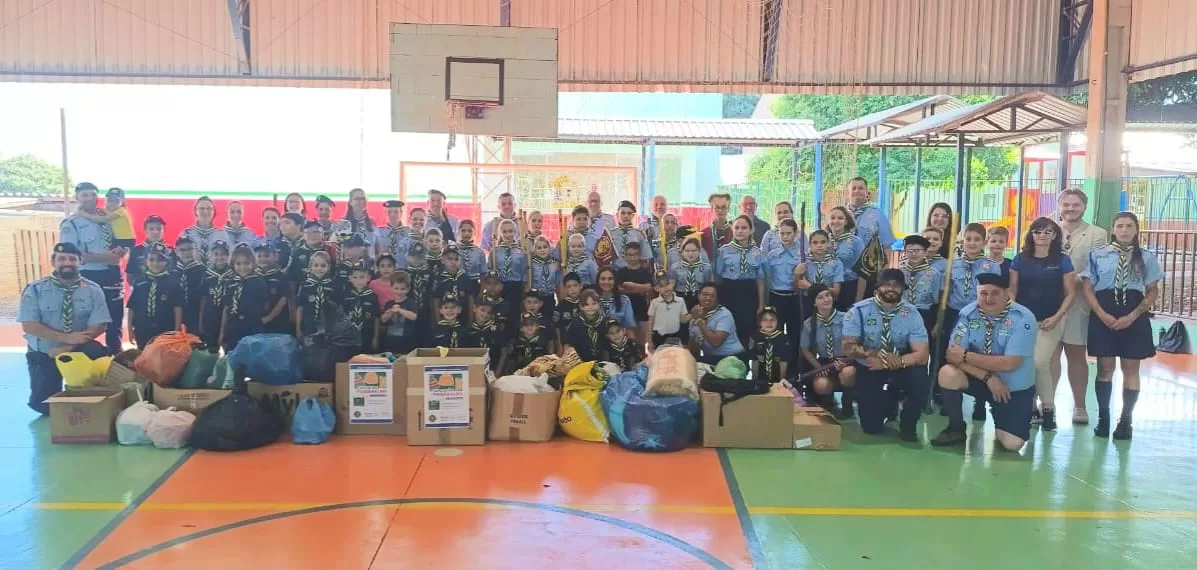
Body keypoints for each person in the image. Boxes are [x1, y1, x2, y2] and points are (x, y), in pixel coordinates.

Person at [932, 272, 1038, 452]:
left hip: (1011, 387)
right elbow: (952, 356)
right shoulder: (968, 314)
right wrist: (988, 377)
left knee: (1012, 444)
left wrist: (966, 355)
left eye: (995, 293)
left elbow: (1010, 364)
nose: (988, 299)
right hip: (981, 378)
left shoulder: (1023, 318)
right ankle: (956, 429)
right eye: (983, 293)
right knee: (947, 373)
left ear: (1007, 293)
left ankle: (1002, 417)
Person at [1080, 212, 1162, 440]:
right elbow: (1087, 288)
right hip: (1104, 312)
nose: (1124, 230)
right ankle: (1103, 417)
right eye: (1120, 226)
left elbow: (1152, 290)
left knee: (1131, 369)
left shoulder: (1146, 257)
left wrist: (1133, 316)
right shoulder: (1097, 255)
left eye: (1129, 226)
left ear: (1136, 229)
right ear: (1113, 229)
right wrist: (1101, 314)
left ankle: (1126, 420)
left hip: (1133, 315)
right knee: (1105, 369)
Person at [19, 243, 111, 414]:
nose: (67, 262)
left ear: (81, 262)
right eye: (62, 259)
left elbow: (99, 325)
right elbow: (29, 325)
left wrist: (68, 346)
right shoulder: (35, 290)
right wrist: (64, 338)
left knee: (95, 351)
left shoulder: (93, 290)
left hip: (77, 349)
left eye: (72, 259)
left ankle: (87, 390)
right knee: (44, 406)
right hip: (45, 351)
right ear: (53, 262)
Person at [841, 269, 930, 441]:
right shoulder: (859, 311)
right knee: (871, 428)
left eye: (896, 285)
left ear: (903, 289)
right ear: (877, 287)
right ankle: (886, 400)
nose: (891, 289)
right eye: (886, 284)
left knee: (920, 381)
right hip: (869, 364)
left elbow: (922, 355)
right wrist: (875, 354)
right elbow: (848, 347)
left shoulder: (912, 314)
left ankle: (908, 424)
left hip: (900, 363)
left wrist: (891, 362)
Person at [1009, 217, 1076, 432]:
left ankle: (1048, 409)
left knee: (1040, 362)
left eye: (1048, 232)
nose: (1042, 236)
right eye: (1038, 232)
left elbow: (1070, 293)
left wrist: (1057, 317)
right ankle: (1030, 408)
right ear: (1031, 235)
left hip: (1051, 320)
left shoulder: (1063, 260)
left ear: (1055, 235)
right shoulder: (1020, 259)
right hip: (1024, 321)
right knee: (1027, 364)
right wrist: (1015, 314)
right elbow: (1012, 291)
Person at [1055, 188, 1109, 426]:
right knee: (1048, 356)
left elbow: (1099, 266)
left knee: (1076, 354)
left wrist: (1077, 279)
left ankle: (1079, 406)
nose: (1070, 209)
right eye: (1066, 204)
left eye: (1075, 204)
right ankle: (1046, 404)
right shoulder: (1049, 230)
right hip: (1050, 301)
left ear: (1084, 207)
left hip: (1080, 303)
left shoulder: (1098, 234)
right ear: (1059, 206)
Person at [59, 182, 128, 354]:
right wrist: (109, 257)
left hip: (112, 274)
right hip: (87, 275)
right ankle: (82, 355)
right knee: (84, 318)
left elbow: (125, 241)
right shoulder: (71, 223)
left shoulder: (109, 217)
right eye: (85, 195)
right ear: (77, 197)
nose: (89, 198)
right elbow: (73, 256)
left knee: (115, 318)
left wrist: (123, 250)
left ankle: (116, 355)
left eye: (93, 194)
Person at [944, 224, 1001, 400]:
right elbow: (947, 291)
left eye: (977, 239)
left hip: (980, 315)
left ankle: (980, 402)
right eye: (968, 239)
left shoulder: (991, 266)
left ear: (984, 242)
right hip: (955, 314)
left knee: (979, 354)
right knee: (954, 352)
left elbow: (995, 292)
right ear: (962, 241)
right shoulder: (952, 265)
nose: (972, 243)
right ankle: (953, 395)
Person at [799, 285, 856, 416]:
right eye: (820, 297)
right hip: (825, 362)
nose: (826, 299)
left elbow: (855, 342)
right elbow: (805, 349)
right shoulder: (809, 324)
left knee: (849, 373)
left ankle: (847, 405)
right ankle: (829, 407)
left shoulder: (846, 318)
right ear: (814, 303)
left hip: (845, 360)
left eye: (827, 295)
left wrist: (846, 359)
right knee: (821, 384)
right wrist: (818, 367)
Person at [715, 215, 766, 348]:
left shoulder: (757, 252)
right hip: (729, 291)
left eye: (744, 228)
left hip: (749, 293)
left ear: (751, 230)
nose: (740, 231)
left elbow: (760, 280)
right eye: (737, 227)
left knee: (746, 329)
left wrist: (761, 304)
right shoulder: (724, 250)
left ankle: (743, 357)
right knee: (728, 326)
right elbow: (718, 276)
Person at [846, 177, 895, 302]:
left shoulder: (877, 214)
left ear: (867, 191)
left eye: (861, 188)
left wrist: (883, 274)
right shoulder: (841, 214)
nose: (857, 191)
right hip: (845, 273)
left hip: (869, 272)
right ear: (848, 191)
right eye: (854, 188)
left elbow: (887, 246)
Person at [126, 242, 183, 349]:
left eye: (160, 260)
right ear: (145, 261)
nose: (155, 263)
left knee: (163, 355)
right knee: (143, 354)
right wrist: (129, 330)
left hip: (165, 329)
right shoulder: (139, 282)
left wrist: (176, 331)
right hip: (142, 328)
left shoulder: (173, 283)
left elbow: (177, 308)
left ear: (167, 262)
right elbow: (132, 307)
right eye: (151, 259)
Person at [764, 219, 804, 343]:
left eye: (788, 233)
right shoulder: (772, 255)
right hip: (776, 297)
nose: (785, 237)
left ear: (795, 233)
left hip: (794, 297)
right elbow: (767, 278)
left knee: (795, 333)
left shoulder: (802, 255)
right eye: (782, 233)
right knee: (776, 333)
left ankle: (794, 356)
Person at [220, 245, 266, 353]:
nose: (242, 267)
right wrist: (222, 332)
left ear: (253, 263)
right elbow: (226, 308)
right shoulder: (229, 283)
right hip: (233, 326)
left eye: (246, 263)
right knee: (233, 354)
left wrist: (263, 319)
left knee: (252, 355)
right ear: (233, 264)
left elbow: (265, 305)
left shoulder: (259, 282)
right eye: (238, 264)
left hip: (253, 326)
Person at [687, 283, 746, 365]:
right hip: (710, 358)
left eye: (712, 296)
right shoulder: (695, 314)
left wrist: (700, 321)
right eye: (705, 294)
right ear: (698, 296)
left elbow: (716, 342)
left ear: (717, 299)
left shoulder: (724, 314)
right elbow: (694, 348)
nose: (708, 298)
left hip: (732, 357)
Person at [796, 229, 846, 320]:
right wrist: (796, 274)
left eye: (823, 242)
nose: (819, 245)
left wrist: (811, 287)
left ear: (828, 243)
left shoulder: (836, 263)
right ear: (810, 245)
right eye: (815, 242)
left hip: (828, 303)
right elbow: (797, 287)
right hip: (808, 303)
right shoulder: (803, 261)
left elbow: (836, 292)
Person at [900, 234, 943, 336]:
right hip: (902, 313)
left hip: (925, 314)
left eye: (918, 250)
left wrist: (938, 323)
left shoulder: (933, 274)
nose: (914, 254)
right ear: (905, 252)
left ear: (925, 252)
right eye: (910, 250)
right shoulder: (900, 272)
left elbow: (938, 301)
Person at [825, 206, 864, 311]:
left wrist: (859, 298)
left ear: (846, 221)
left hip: (848, 287)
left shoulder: (856, 242)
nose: (835, 221)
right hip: (827, 287)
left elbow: (863, 272)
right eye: (832, 218)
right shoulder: (823, 241)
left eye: (840, 218)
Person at [489, 219, 527, 324]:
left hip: (515, 287)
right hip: (499, 287)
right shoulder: (495, 251)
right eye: (504, 231)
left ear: (515, 232)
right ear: (500, 233)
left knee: (513, 316)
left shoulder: (521, 252)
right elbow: (490, 269)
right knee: (499, 316)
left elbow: (524, 271)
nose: (507, 234)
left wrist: (525, 288)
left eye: (510, 231)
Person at [615, 241, 654, 343]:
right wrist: (640, 289)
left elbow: (649, 287)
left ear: (639, 255)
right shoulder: (621, 272)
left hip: (642, 310)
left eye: (635, 255)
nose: (632, 258)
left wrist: (632, 285)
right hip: (625, 311)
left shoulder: (645, 271)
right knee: (628, 341)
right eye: (629, 255)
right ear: (625, 256)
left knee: (643, 342)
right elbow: (619, 290)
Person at [295, 252, 337, 342]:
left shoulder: (333, 285)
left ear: (328, 267)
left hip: (329, 326)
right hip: (309, 325)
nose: (319, 268)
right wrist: (298, 328)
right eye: (316, 265)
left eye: (323, 266)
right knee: (309, 348)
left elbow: (338, 308)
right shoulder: (305, 285)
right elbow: (300, 307)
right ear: (310, 267)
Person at [199, 241, 232, 350]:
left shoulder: (233, 274)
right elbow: (203, 298)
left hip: (228, 315)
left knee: (228, 346)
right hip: (211, 316)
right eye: (216, 254)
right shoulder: (207, 274)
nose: (219, 257)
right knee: (211, 347)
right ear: (211, 256)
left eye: (223, 254)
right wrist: (201, 321)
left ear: (228, 255)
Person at [341, 265, 381, 353]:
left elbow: (377, 318)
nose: (358, 280)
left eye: (362, 277)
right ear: (350, 278)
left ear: (368, 278)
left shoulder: (372, 296)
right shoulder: (346, 295)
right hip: (349, 336)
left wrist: (376, 338)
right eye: (355, 277)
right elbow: (342, 317)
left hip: (367, 335)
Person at [254, 241, 290, 335]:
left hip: (277, 321)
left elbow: (283, 299)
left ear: (275, 257)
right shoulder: (252, 276)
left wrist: (269, 318)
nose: (263, 259)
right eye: (259, 256)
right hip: (255, 320)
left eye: (267, 256)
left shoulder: (280, 276)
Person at [432, 245, 478, 318]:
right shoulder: (438, 278)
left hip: (463, 317)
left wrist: (470, 320)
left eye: (456, 259)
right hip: (444, 319)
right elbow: (436, 300)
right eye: (449, 259)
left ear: (460, 261)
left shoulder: (465, 277)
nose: (453, 262)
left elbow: (470, 299)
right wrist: (438, 320)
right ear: (443, 260)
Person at [126, 215, 171, 287]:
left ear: (164, 230)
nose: (155, 232)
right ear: (145, 230)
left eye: (159, 229)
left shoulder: (171, 251)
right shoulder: (136, 251)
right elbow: (130, 276)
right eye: (151, 229)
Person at [182, 196, 228, 264]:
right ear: (195, 211)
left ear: (214, 212)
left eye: (209, 208)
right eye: (201, 208)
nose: (205, 211)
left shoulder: (222, 234)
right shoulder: (187, 233)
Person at [174, 237, 206, 335]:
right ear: (176, 252)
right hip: (174, 315)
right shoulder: (171, 271)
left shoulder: (203, 271)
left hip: (195, 313)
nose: (187, 253)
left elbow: (204, 297)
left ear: (195, 250)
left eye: (190, 249)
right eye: (182, 250)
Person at [563, 290, 607, 362]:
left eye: (594, 303)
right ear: (581, 306)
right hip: (581, 361)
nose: (590, 307)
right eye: (586, 304)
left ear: (599, 305)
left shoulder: (604, 322)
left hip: (602, 360)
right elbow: (568, 343)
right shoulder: (575, 323)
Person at [647, 271, 687, 350]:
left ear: (672, 283)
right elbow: (651, 321)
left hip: (676, 335)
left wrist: (693, 315)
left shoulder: (680, 300)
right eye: (661, 286)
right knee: (660, 355)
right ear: (656, 289)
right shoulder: (654, 302)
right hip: (659, 337)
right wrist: (649, 339)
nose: (666, 288)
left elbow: (682, 320)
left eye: (667, 284)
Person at [594, 267, 636, 339]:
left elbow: (629, 328)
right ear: (598, 281)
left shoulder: (624, 301)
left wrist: (633, 344)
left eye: (610, 279)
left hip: (618, 341)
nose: (606, 282)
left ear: (615, 281)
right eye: (603, 279)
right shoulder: (591, 300)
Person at [751, 307, 789, 384]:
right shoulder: (755, 338)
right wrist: (754, 380)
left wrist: (782, 380)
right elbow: (755, 361)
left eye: (772, 320)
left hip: (778, 380)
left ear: (777, 321)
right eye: (765, 320)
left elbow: (783, 362)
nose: (769, 323)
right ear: (760, 323)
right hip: (761, 380)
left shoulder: (783, 338)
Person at [673, 237, 712, 310]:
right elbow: (672, 287)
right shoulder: (675, 267)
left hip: (699, 300)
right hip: (680, 299)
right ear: (682, 252)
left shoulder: (706, 268)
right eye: (687, 251)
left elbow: (707, 287)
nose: (690, 254)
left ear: (699, 251)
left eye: (694, 250)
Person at [611, 201, 653, 265]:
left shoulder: (639, 234)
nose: (626, 216)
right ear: (617, 215)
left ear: (633, 216)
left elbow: (645, 258)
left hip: (634, 269)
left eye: (629, 213)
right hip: (615, 270)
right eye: (623, 213)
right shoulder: (611, 234)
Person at [464, 299, 503, 367]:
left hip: (492, 368)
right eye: (482, 310)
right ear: (474, 308)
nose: (485, 315)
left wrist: (498, 371)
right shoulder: (467, 331)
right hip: (473, 368)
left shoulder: (496, 330)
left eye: (489, 312)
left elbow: (503, 352)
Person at [527, 236, 560, 309]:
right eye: (539, 248)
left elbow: (557, 283)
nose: (542, 250)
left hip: (550, 297)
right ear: (535, 250)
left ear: (550, 248)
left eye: (545, 247)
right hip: (536, 298)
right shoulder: (531, 264)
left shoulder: (554, 264)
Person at [554, 272, 584, 349]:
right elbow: (557, 328)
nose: (572, 289)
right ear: (565, 288)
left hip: (584, 342)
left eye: (575, 285)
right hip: (567, 345)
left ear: (581, 286)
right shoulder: (560, 307)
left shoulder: (585, 303)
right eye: (569, 286)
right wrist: (559, 346)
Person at [375, 200, 410, 264]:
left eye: (396, 212)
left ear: (401, 213)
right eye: (389, 212)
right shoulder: (378, 232)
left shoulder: (409, 232)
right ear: (385, 213)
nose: (392, 215)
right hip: (384, 268)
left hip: (403, 268)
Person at [701, 193, 734, 259]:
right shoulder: (704, 234)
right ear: (711, 209)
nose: (720, 210)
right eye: (717, 207)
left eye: (723, 207)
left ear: (728, 209)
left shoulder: (735, 233)